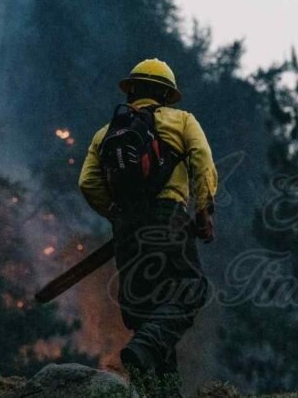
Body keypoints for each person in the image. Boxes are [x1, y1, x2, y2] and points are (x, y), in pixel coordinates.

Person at [78, 58, 218, 387]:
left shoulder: (106, 133)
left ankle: (158, 389)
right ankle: (144, 349)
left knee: (145, 313)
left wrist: (115, 214)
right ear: (166, 95)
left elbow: (87, 182)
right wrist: (204, 211)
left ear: (132, 92)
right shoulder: (182, 121)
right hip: (168, 220)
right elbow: (203, 161)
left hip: (126, 229)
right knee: (192, 288)